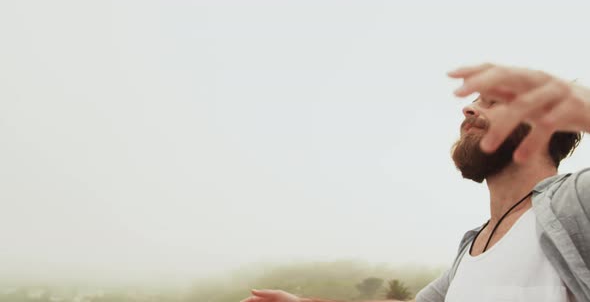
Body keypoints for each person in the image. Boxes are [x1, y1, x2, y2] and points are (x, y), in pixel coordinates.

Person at [239, 63, 590, 302]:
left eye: (494, 103)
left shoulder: (573, 202)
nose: (467, 110)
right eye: (473, 101)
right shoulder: (471, 247)